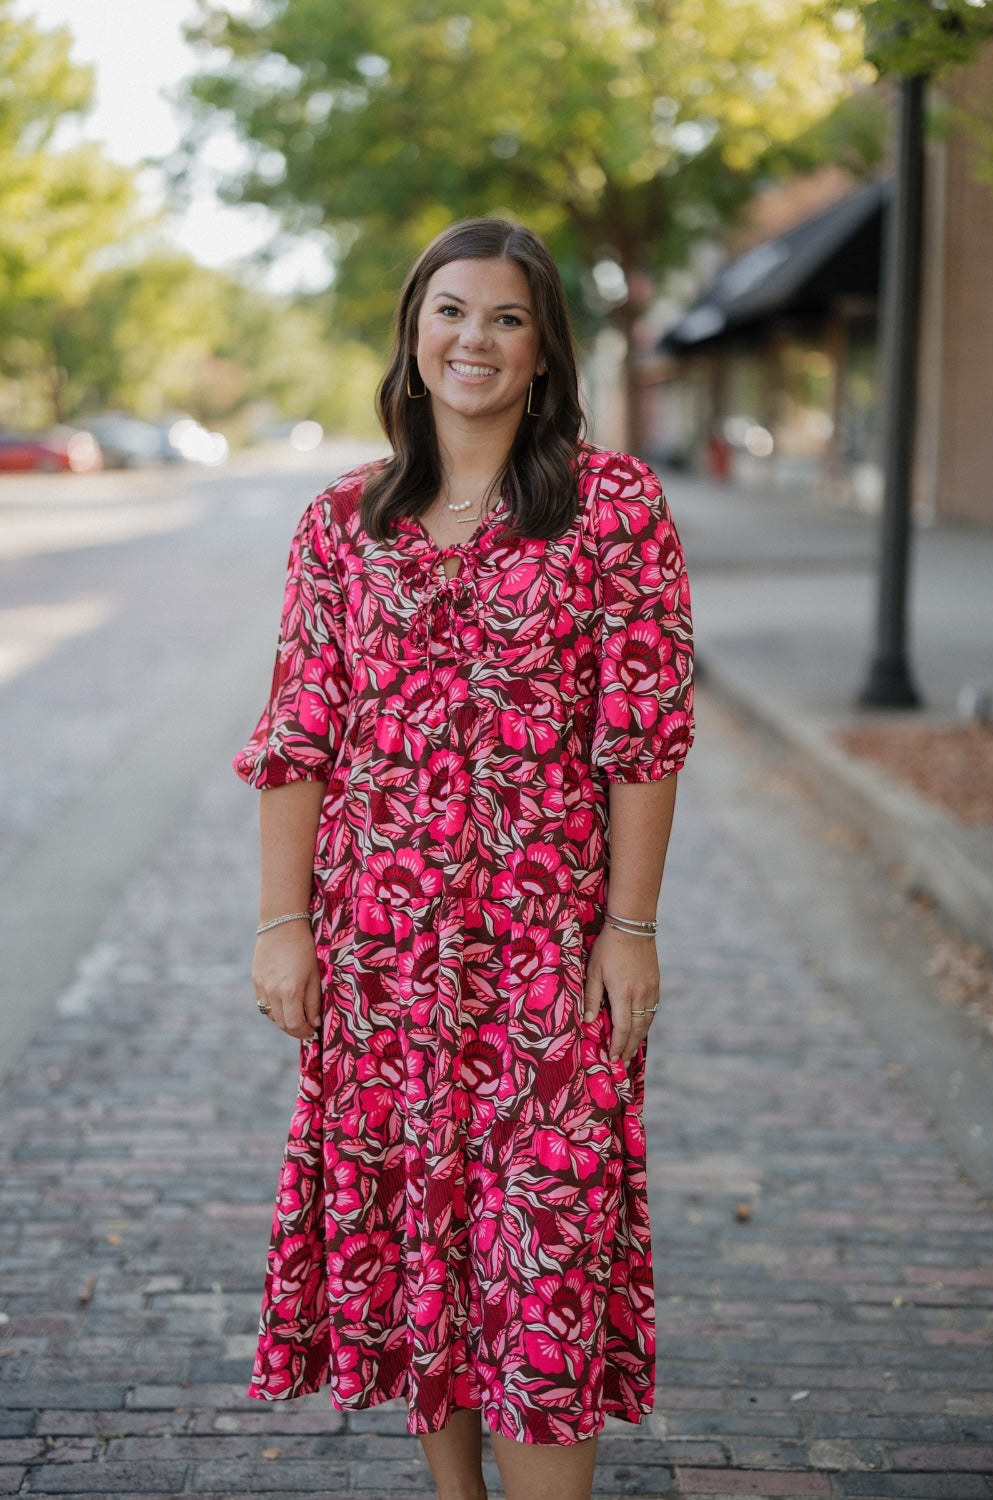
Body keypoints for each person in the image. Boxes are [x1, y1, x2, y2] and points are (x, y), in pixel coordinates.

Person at [235, 217, 694, 1500]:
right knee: (420, 1239)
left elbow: (645, 732)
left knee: (544, 1250)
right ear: (413, 334)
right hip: (379, 952)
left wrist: (633, 928)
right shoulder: (342, 522)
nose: (473, 339)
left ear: (543, 351)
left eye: (504, 317)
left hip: (547, 956)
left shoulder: (612, 509)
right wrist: (285, 928)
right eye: (450, 312)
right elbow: (295, 738)